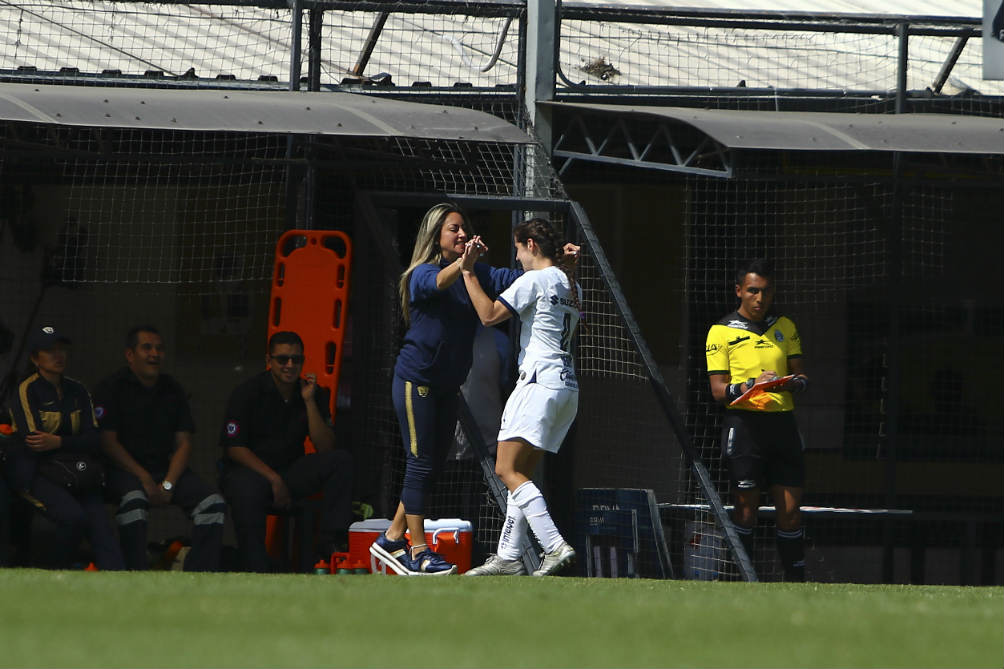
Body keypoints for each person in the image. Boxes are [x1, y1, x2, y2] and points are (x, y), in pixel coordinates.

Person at [368, 203, 528, 576]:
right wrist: (464, 265)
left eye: (463, 229)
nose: (460, 235)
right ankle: (418, 551)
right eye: (452, 230)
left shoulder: (476, 273)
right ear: (436, 237)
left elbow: (508, 277)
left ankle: (391, 537)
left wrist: (547, 263)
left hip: (446, 386)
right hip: (416, 382)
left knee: (433, 464)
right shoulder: (424, 273)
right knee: (420, 463)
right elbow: (439, 282)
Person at [461, 218, 581, 577]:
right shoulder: (572, 284)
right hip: (566, 388)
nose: (517, 258)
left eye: (517, 249)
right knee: (523, 472)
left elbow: (488, 315)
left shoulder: (535, 279)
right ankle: (509, 555)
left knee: (505, 468)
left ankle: (554, 544)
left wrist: (468, 272)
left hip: (537, 383)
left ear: (531, 244)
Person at [705, 259, 809, 581]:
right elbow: (718, 390)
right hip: (745, 426)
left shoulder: (786, 326)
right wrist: (751, 385)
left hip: (783, 425)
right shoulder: (720, 331)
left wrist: (794, 382)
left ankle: (796, 585)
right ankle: (740, 581)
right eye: (752, 291)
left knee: (790, 513)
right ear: (739, 291)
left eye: (765, 291)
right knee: (746, 509)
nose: (759, 298)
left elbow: (800, 373)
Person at [92, 325, 225, 571]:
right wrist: (143, 478)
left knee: (213, 504)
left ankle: (200, 577)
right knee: (133, 501)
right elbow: (107, 441)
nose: (155, 354)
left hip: (164, 471)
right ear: (130, 355)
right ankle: (135, 575)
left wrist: (168, 484)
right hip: (122, 472)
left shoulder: (172, 389)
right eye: (147, 348)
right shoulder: (112, 387)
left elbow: (184, 442)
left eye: (159, 349)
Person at [219, 330, 352, 572]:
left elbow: (325, 447)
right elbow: (234, 448)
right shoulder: (247, 393)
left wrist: (309, 401)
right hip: (252, 471)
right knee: (245, 488)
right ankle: (255, 567)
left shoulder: (312, 393)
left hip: (290, 469)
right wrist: (273, 479)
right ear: (269, 361)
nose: (290, 365)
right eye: (282, 359)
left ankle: (330, 546)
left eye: (296, 359)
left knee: (340, 461)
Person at [6, 325, 124, 570]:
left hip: (77, 473)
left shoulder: (78, 390)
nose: (58, 356)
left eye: (61, 350)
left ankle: (122, 586)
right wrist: (74, 444)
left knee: (101, 528)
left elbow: (94, 440)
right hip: (37, 473)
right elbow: (34, 441)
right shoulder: (26, 389)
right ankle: (51, 574)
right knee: (74, 517)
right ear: (35, 358)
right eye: (50, 351)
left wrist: (59, 442)